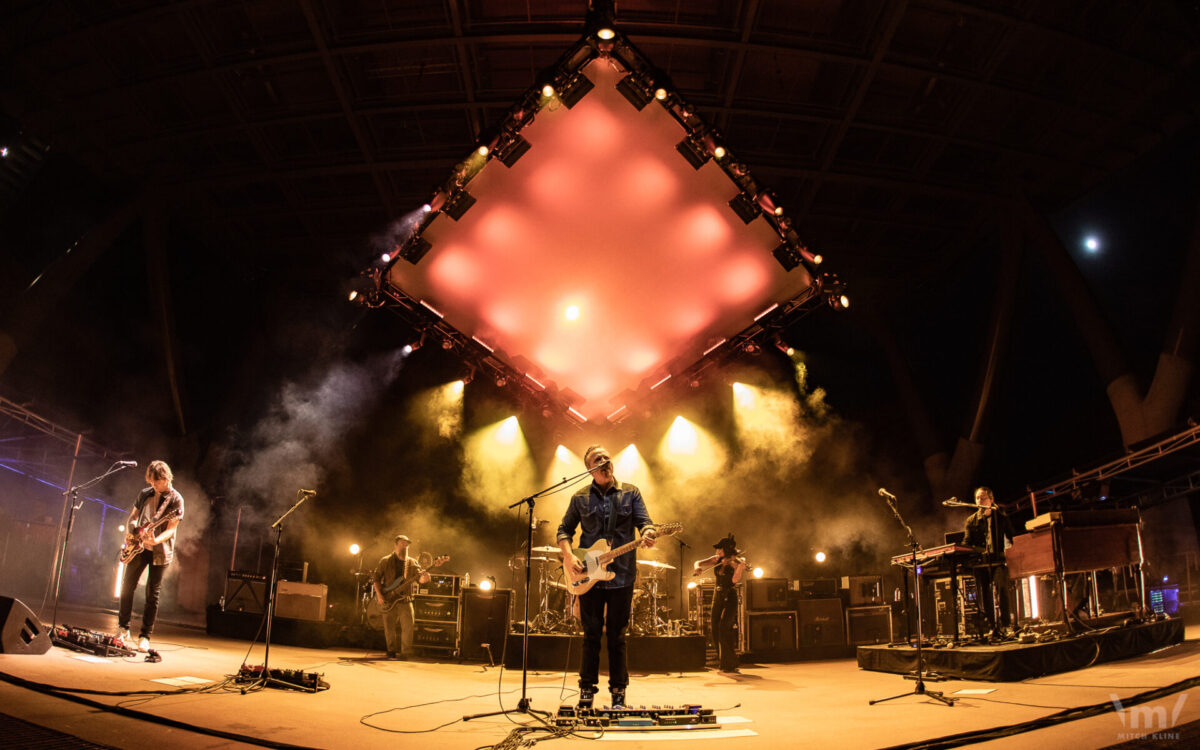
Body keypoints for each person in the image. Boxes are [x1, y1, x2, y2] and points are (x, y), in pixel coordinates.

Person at [557, 445, 657, 708]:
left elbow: (645, 521)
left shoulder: (630, 492)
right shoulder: (580, 497)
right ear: (590, 468)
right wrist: (568, 556)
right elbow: (563, 530)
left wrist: (648, 533)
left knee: (617, 635)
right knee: (590, 634)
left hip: (622, 575)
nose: (605, 460)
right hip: (589, 576)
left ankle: (618, 693)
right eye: (597, 459)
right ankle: (586, 689)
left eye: (606, 457)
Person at [117, 460, 184, 651]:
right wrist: (133, 531)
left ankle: (145, 636)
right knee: (127, 586)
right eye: (151, 482)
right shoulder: (145, 494)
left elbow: (171, 530)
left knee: (152, 594)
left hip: (161, 551)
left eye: (156, 482)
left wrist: (156, 540)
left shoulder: (176, 500)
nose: (153, 485)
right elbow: (133, 517)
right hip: (139, 547)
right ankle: (123, 628)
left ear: (165, 478)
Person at [963, 486, 1016, 638]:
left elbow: (1013, 536)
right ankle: (992, 626)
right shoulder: (971, 521)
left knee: (1002, 589)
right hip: (981, 561)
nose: (980, 501)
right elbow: (967, 542)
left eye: (983, 498)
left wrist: (1012, 552)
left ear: (991, 500)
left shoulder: (1001, 517)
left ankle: (1006, 625)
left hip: (998, 560)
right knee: (985, 594)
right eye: (977, 498)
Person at [692, 533, 745, 673]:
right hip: (718, 595)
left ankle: (730, 661)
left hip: (730, 596)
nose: (717, 552)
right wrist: (697, 568)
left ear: (727, 550)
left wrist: (740, 567)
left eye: (720, 549)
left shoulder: (735, 562)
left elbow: (734, 581)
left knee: (723, 627)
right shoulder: (716, 559)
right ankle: (723, 659)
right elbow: (698, 562)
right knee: (714, 628)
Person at [373, 534, 430, 659]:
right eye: (402, 543)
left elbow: (420, 580)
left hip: (405, 599)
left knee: (408, 627)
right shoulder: (385, 561)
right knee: (389, 627)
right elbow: (376, 579)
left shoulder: (413, 562)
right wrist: (379, 595)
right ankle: (391, 650)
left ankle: (406, 652)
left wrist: (425, 577)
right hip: (388, 597)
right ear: (395, 545)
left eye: (407, 544)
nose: (405, 546)